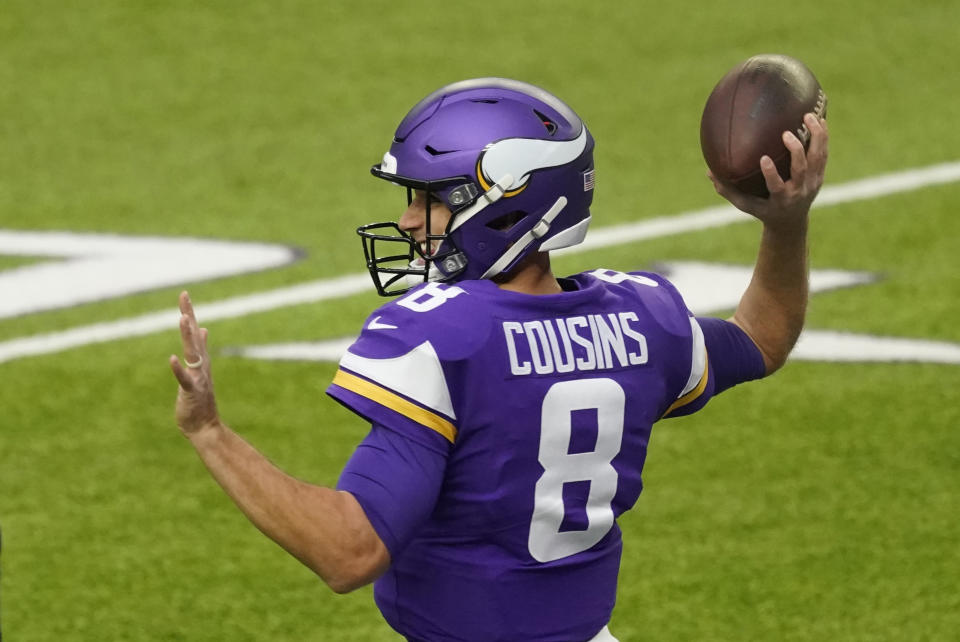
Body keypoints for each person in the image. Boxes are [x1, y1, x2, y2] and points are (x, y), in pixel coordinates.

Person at [170, 77, 828, 641]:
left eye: (431, 200)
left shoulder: (442, 338)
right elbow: (760, 338)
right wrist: (785, 223)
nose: (407, 223)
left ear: (509, 204)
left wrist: (211, 434)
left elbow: (350, 551)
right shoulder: (642, 318)